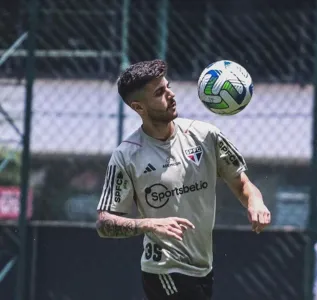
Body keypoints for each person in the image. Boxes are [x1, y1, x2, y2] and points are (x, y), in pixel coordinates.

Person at [96, 59, 271, 300]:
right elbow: (104, 223)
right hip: (164, 270)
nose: (171, 95)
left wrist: (255, 202)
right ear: (139, 107)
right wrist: (147, 224)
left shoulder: (205, 136)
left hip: (202, 267)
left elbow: (242, 183)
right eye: (159, 92)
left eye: (168, 86)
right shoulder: (126, 156)